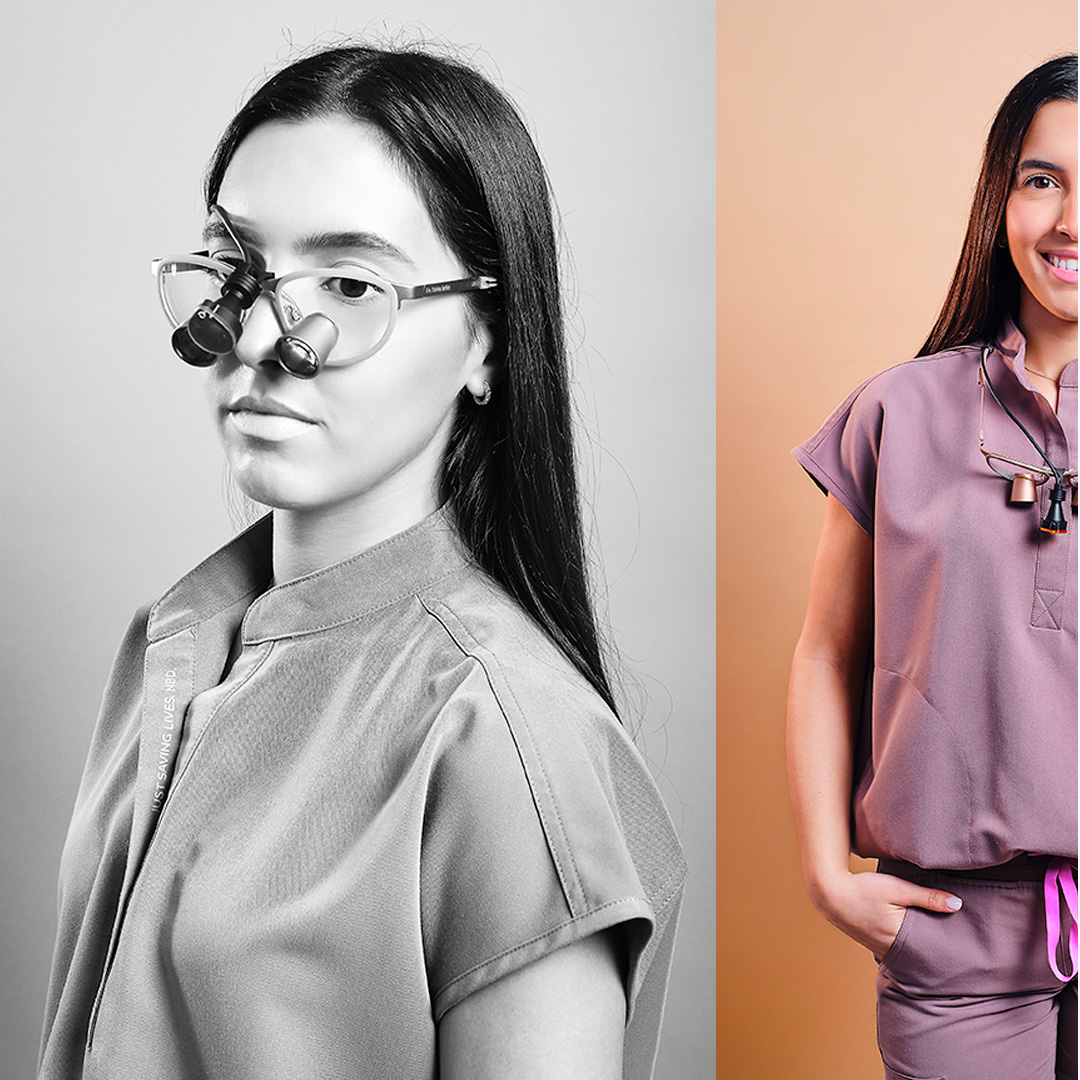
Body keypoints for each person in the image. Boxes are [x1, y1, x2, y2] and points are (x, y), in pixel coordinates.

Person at [37, 43, 686, 1080]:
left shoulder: (507, 745)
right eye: (240, 270)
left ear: (486, 340)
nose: (258, 339)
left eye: (349, 281)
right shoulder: (168, 643)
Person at [787, 54, 1077, 1080]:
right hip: (953, 932)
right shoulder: (894, 413)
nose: (1070, 220)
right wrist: (828, 872)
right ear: (1003, 194)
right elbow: (825, 654)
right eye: (1044, 180)